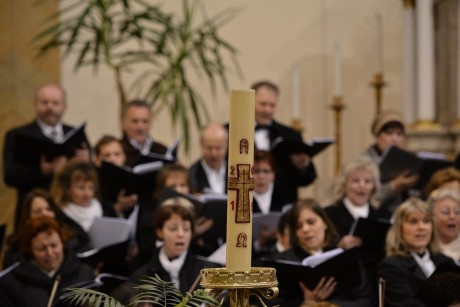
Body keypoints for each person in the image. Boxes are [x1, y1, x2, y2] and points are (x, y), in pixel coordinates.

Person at [3, 83, 91, 228]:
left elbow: (91, 175)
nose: (50, 107)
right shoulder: (18, 135)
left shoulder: (76, 134)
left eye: (55, 103)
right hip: (34, 212)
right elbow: (10, 175)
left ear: (64, 107)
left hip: (71, 212)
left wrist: (86, 162)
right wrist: (43, 172)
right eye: (44, 102)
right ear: (35, 105)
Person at [273, 198, 370, 307]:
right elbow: (273, 302)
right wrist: (303, 303)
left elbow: (365, 301)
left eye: (311, 222)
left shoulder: (345, 257)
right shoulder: (283, 262)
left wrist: (325, 305)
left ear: (325, 223)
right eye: (298, 226)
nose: (305, 229)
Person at [325, 156, 391, 304]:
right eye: (356, 181)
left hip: (376, 279)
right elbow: (320, 249)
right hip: (345, 284)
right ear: (344, 185)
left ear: (374, 186)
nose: (362, 186)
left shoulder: (383, 215)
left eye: (368, 181)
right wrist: (338, 246)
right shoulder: (329, 214)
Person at [0, 217, 94, 307]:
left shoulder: (85, 273)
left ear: (62, 243)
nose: (50, 253)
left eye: (54, 245)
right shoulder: (11, 284)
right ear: (30, 250)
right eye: (41, 248)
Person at [378, 198, 455, 307]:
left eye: (426, 221)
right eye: (413, 221)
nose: (421, 227)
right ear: (400, 229)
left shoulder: (446, 262)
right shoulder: (391, 267)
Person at [251, 80, 317, 203]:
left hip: (284, 203)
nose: (267, 110)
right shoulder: (232, 132)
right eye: (263, 104)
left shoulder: (290, 134)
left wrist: (303, 167)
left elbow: (308, 178)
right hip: (245, 203)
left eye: (272, 105)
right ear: (250, 102)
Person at [131, 199, 215, 294]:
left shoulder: (207, 272)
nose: (180, 234)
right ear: (160, 232)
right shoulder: (141, 277)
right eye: (173, 228)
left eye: (186, 229)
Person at [50, 158, 117, 251]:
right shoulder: (59, 215)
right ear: (67, 188)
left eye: (91, 188)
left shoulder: (105, 209)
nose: (87, 194)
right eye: (81, 187)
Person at [363, 109, 418, 213]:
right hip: (377, 215)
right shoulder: (365, 162)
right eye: (389, 134)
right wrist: (394, 186)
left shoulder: (408, 159)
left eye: (399, 134)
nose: (394, 139)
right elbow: (368, 197)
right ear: (378, 136)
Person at [94, 135, 138, 217]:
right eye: (107, 155)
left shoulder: (133, 177)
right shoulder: (93, 184)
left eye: (117, 154)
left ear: (124, 157)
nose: (112, 159)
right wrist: (118, 208)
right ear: (96, 160)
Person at [120, 100, 167, 167]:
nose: (140, 127)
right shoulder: (117, 152)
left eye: (145, 121)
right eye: (135, 121)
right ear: (123, 124)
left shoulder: (162, 151)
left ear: (150, 124)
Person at [188, 122, 228, 194]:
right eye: (209, 148)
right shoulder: (191, 175)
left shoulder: (236, 173)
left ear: (226, 146)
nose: (214, 154)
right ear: (201, 146)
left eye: (218, 148)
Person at [428, 188, 460, 261]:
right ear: (431, 216)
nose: (452, 216)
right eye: (445, 212)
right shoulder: (424, 249)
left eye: (457, 212)